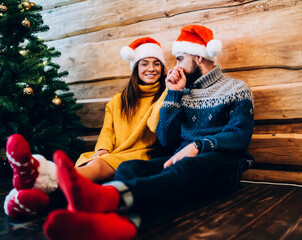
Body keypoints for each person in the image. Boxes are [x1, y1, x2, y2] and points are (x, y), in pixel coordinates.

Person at [42, 25, 255, 240]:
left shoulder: (236, 88)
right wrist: (173, 95)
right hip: (180, 161)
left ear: (199, 57)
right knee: (129, 167)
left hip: (224, 165)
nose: (176, 66)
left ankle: (109, 198)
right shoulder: (182, 92)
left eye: (180, 59)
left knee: (188, 165)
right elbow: (165, 139)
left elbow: (240, 136)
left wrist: (198, 145)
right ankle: (119, 221)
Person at [3, 37, 167, 218]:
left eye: (157, 64)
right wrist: (103, 149)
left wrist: (169, 90)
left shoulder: (165, 96)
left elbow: (155, 124)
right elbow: (107, 131)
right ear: (136, 67)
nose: (151, 69)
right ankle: (33, 196)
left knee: (96, 165)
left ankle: (42, 178)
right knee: (91, 162)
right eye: (145, 63)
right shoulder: (119, 100)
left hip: (141, 153)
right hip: (113, 153)